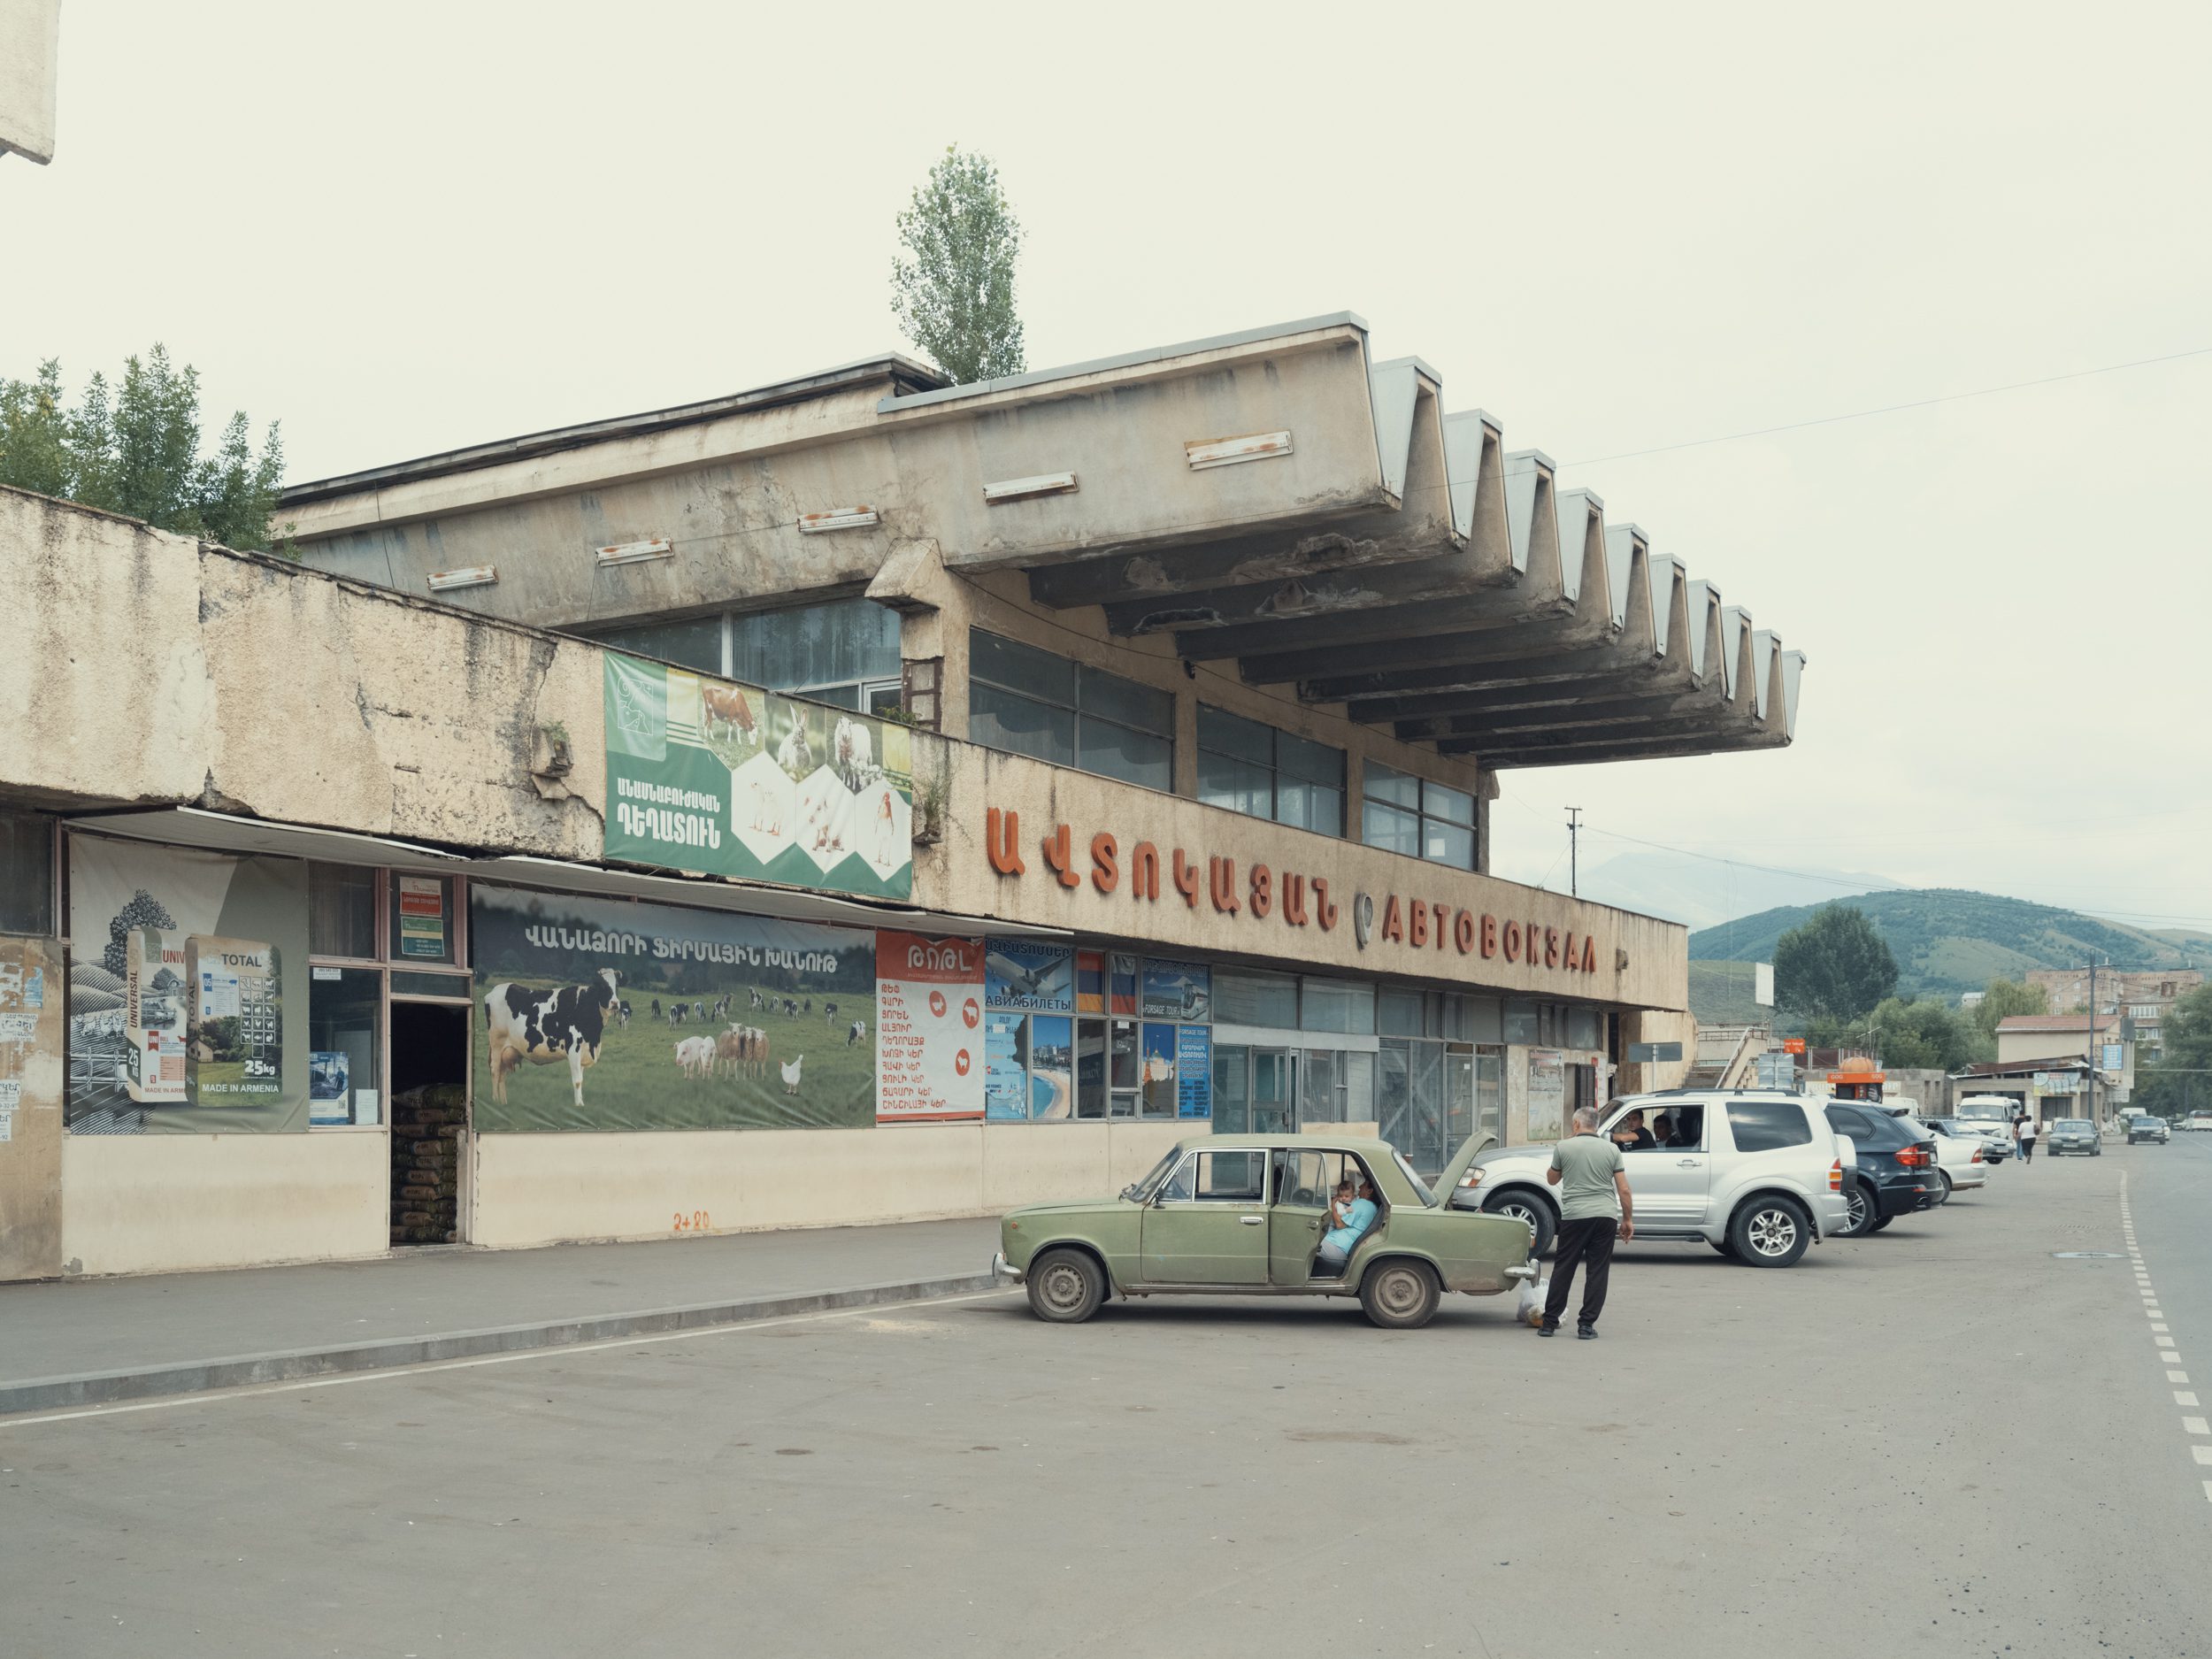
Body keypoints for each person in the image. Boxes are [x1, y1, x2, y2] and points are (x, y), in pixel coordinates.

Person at [1541, 1104, 1633, 1340]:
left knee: (1564, 1268)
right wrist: (1627, 1220)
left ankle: (1549, 1324)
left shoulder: (1564, 1146)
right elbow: (1624, 1190)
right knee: (1598, 1271)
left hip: (1574, 1216)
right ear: (1596, 1125)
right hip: (1604, 1216)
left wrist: (1565, 1155)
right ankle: (1586, 1326)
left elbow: (1552, 1179)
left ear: (1576, 1124)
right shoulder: (1612, 1149)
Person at [1315, 1175, 1379, 1277]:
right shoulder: (1373, 1207)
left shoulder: (1362, 1203)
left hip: (1337, 1245)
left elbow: (1339, 1225)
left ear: (1370, 1191)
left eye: (1364, 1185)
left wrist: (1333, 1205)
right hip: (1340, 1245)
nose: (1360, 1187)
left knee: (1303, 1244)